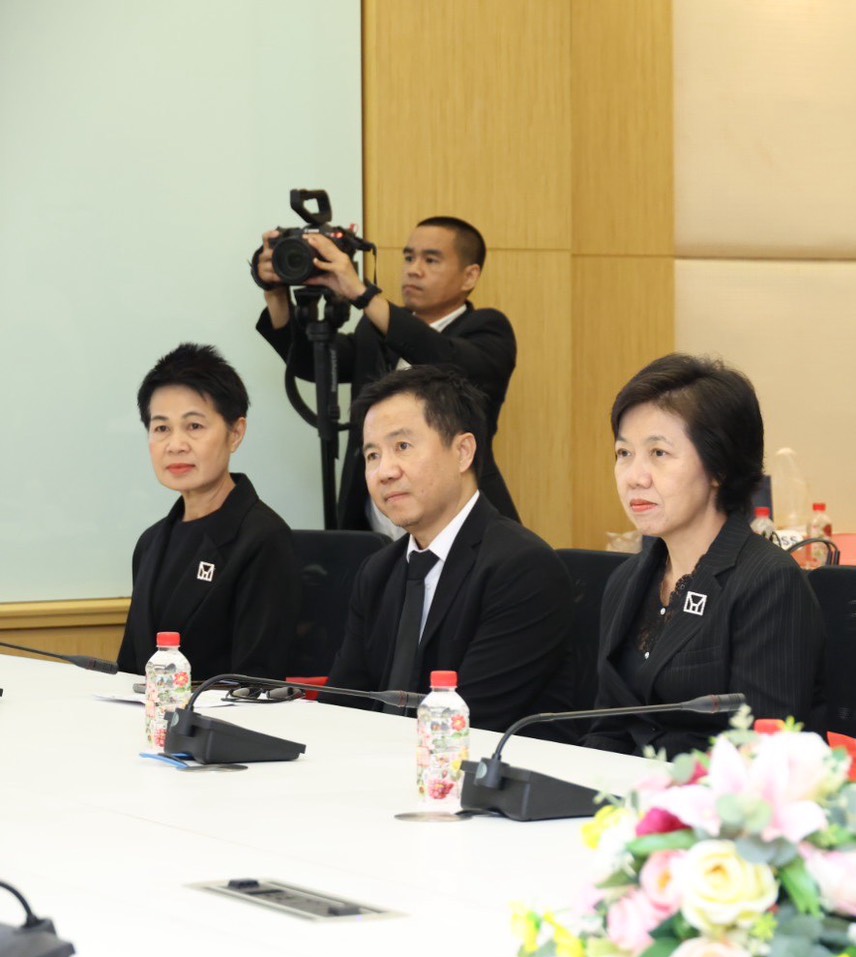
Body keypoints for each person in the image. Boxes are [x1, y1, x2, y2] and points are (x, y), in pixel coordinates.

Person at [586, 355, 824, 758]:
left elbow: (762, 751)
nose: (634, 477)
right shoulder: (625, 581)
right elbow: (607, 728)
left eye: (658, 453)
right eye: (624, 453)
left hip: (718, 793)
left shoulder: (768, 582)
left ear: (719, 468)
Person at [328, 366, 573, 734]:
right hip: (380, 760)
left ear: (462, 452)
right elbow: (341, 706)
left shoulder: (523, 568)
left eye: (402, 447)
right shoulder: (377, 571)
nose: (384, 472)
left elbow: (468, 723)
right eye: (372, 455)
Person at [254, 216, 519, 534]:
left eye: (431, 260)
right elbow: (312, 362)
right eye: (409, 257)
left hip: (463, 527)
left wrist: (362, 293)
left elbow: (444, 359)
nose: (413, 269)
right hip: (374, 529)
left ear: (469, 276)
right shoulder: (376, 327)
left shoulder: (489, 329)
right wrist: (276, 295)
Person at [118, 344, 299, 680]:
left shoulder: (262, 539)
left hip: (220, 715)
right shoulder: (150, 542)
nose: (175, 445)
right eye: (161, 428)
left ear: (236, 433)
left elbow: (256, 682)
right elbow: (130, 671)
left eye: (194, 426)